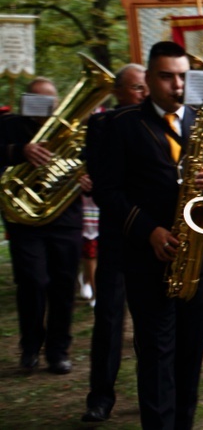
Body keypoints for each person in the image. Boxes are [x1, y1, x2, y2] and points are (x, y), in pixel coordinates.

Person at [93, 41, 203, 429]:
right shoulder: (121, 124)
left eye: (182, 76)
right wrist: (149, 231)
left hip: (201, 260)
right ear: (149, 78)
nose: (177, 85)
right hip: (148, 260)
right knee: (157, 359)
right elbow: (108, 192)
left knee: (190, 358)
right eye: (167, 76)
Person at [0, 77, 85, 375]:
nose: (43, 107)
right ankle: (30, 346)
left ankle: (58, 351)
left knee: (63, 287)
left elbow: (89, 163)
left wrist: (87, 179)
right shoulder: (10, 126)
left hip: (65, 219)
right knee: (33, 283)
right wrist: (19, 151)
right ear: (26, 101)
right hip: (26, 221)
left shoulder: (71, 129)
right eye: (35, 100)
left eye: (49, 101)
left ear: (58, 102)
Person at [82, 62, 148, 422]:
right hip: (118, 236)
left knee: (151, 324)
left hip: (154, 239)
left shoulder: (161, 121)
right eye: (137, 88)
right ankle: (100, 396)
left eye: (145, 88)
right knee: (108, 319)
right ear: (119, 92)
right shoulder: (102, 123)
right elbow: (104, 180)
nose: (144, 94)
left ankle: (150, 391)